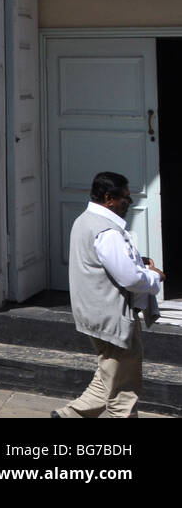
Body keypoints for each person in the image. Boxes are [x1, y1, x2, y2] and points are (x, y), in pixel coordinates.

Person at [53, 171, 164, 419]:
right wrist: (155, 277)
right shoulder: (108, 231)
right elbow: (131, 279)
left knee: (111, 374)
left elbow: (103, 264)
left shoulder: (85, 220)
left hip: (95, 313)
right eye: (125, 197)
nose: (130, 202)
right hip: (113, 318)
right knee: (124, 390)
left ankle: (70, 415)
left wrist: (136, 261)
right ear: (109, 198)